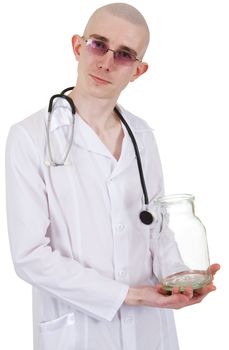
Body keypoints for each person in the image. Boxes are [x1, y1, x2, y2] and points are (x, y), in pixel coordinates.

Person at [5, 3, 220, 350]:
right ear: (77, 46)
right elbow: (30, 256)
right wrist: (129, 295)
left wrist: (178, 279)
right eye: (98, 44)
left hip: (151, 329)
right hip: (79, 331)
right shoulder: (30, 137)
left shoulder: (142, 136)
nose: (106, 61)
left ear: (138, 70)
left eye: (124, 55)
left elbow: (158, 229)